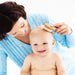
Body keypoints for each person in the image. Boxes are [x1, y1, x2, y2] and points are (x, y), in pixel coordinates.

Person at [0, 1, 75, 75]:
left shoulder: (41, 20)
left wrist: (69, 31)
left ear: (23, 15)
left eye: (22, 25)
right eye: (14, 33)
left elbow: (70, 44)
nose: (22, 32)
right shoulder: (3, 43)